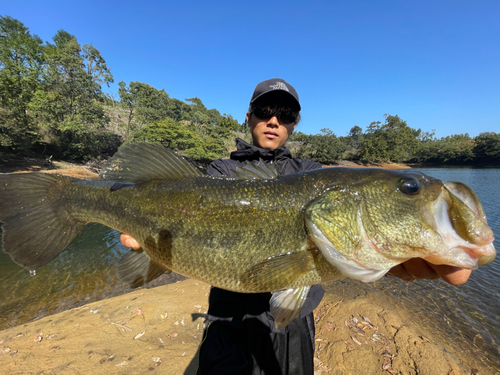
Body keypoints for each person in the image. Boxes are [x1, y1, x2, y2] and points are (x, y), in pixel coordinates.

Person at [120, 78, 472, 374]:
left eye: (285, 114)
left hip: (293, 322)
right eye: (264, 110)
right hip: (227, 317)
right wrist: (150, 245)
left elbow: (342, 237)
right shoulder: (219, 174)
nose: (274, 120)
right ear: (248, 117)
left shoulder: (313, 175)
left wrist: (381, 253)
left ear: (294, 124)